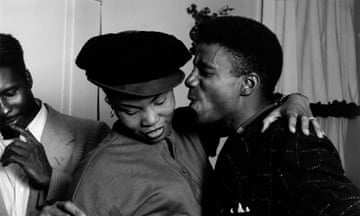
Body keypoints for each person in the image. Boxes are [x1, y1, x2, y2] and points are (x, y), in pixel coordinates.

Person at [39, 30, 322, 216]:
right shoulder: (101, 171)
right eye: (130, 110)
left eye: (160, 102)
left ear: (174, 91)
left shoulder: (190, 125)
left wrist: (293, 99)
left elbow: (247, 111)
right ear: (112, 106)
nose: (150, 121)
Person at [185, 16, 360, 215]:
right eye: (194, 68)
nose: (189, 80)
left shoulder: (293, 139)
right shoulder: (238, 133)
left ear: (248, 84)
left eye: (206, 72)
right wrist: (294, 97)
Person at [0, 33, 110, 216]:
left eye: (10, 93)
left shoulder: (93, 135)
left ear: (28, 79)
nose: (3, 110)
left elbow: (113, 207)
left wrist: (52, 179)